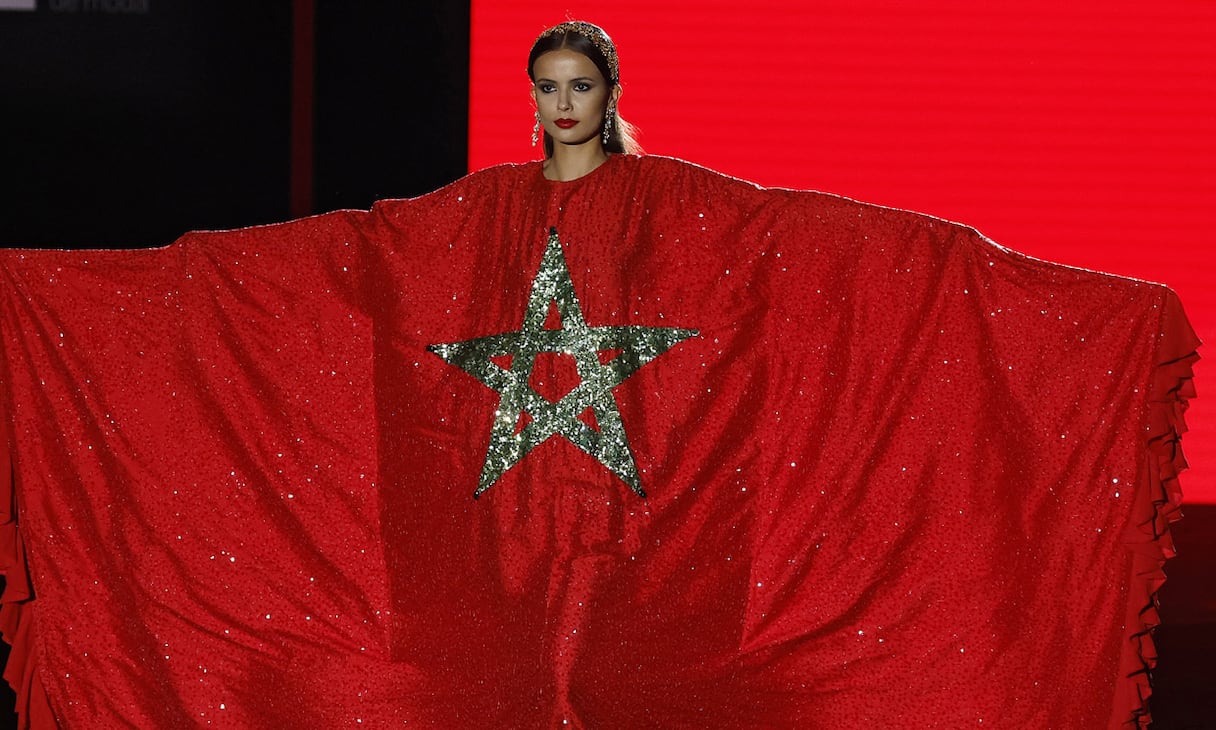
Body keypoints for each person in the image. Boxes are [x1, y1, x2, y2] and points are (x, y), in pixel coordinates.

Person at [0, 20, 1197, 729]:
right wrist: (69, 292)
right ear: (531, 99)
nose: (563, 105)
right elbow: (338, 261)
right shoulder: (471, 218)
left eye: (582, 87)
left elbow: (846, 243)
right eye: (547, 88)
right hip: (487, 563)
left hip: (658, 556)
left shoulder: (691, 212)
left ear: (609, 96)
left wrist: (1081, 309)